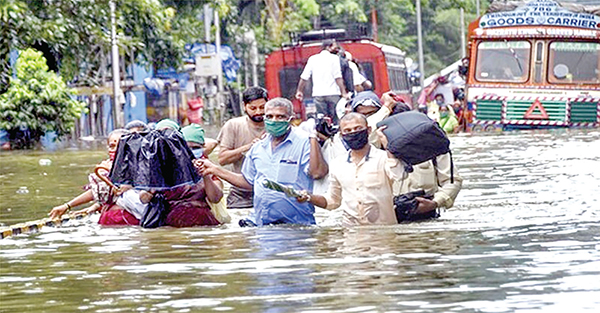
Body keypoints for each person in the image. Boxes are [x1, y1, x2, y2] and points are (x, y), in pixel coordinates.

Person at [198, 98, 328, 226]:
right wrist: (215, 170)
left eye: (280, 117)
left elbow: (317, 173)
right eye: (269, 116)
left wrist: (313, 137)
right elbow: (248, 182)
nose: (274, 121)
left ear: (291, 118)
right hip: (262, 224)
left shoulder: (305, 142)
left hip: (296, 224)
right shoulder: (258, 147)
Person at [297, 113, 404, 226]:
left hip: (384, 234)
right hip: (352, 235)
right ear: (342, 135)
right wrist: (308, 197)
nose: (353, 133)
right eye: (347, 131)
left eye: (358, 128)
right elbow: (332, 201)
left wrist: (389, 148)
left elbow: (399, 176)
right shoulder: (338, 164)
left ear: (368, 130)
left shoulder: (384, 158)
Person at [48, 129, 145, 225]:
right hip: (110, 220)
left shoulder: (139, 167)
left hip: (127, 220)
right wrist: (67, 206)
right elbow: (96, 191)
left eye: (120, 146)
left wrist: (111, 172)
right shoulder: (106, 166)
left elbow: (124, 191)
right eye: (112, 146)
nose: (115, 150)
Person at [216, 86, 267, 209]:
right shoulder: (233, 125)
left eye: (262, 107)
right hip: (240, 194)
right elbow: (222, 159)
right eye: (253, 108)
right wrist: (250, 147)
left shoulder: (276, 127)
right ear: (244, 106)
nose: (258, 112)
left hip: (270, 191)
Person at [296, 39, 349, 123]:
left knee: (322, 119)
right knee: (336, 118)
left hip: (318, 94)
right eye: (335, 46)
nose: (337, 48)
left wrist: (299, 91)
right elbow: (337, 77)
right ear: (328, 47)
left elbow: (304, 77)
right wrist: (343, 92)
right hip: (333, 93)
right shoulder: (334, 58)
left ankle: (324, 134)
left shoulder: (313, 59)